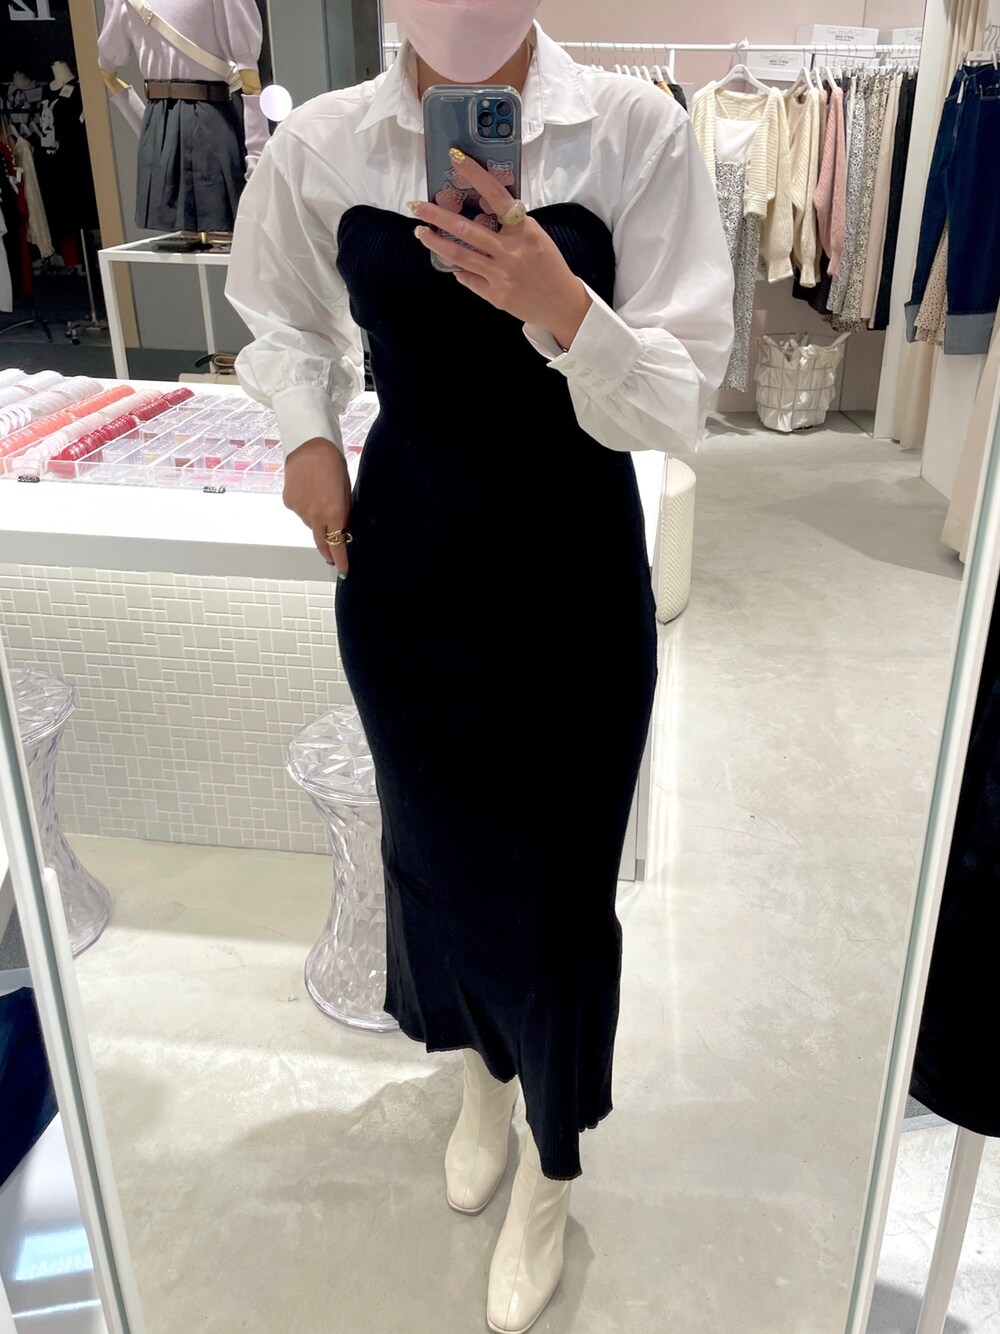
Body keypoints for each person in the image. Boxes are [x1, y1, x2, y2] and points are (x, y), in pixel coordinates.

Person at [226, 3, 734, 1329]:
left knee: (559, 898)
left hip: (571, 575)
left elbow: (683, 398)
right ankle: (481, 1080)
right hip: (410, 569)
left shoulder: (633, 132)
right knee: (437, 855)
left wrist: (565, 309)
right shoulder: (325, 142)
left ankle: (552, 1169)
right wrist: (306, 435)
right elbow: (277, 312)